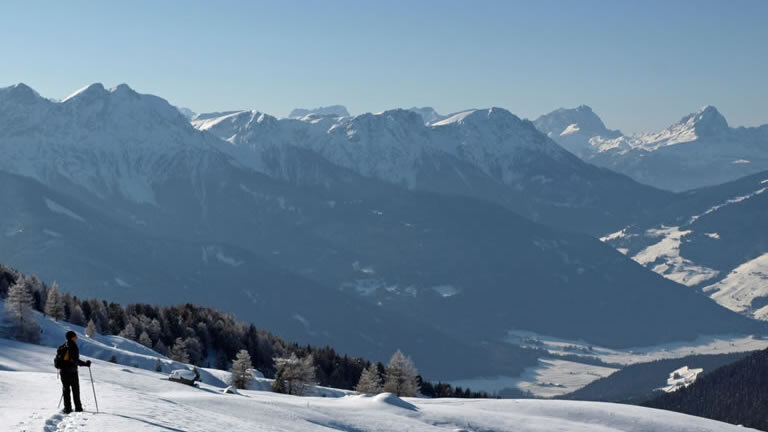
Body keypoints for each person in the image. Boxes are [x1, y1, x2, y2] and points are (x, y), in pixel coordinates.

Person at [60, 331, 91, 413]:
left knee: (66, 390)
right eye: (75, 336)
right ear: (72, 337)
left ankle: (67, 408)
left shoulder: (64, 346)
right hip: (72, 372)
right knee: (75, 390)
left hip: (63, 371)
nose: (77, 337)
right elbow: (75, 360)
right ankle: (78, 408)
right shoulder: (73, 346)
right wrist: (86, 364)